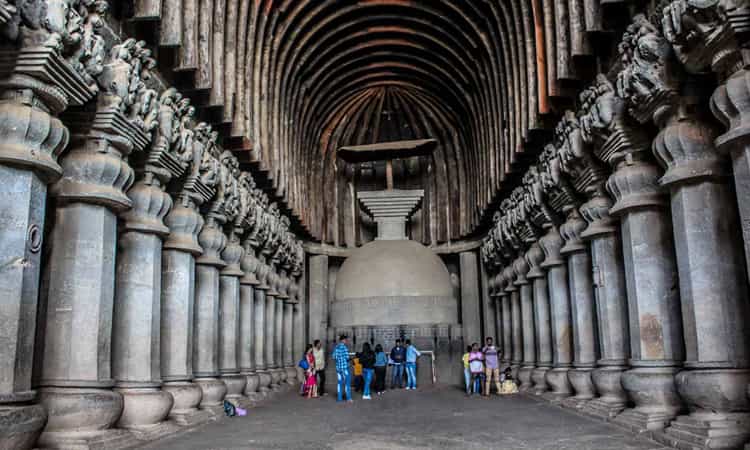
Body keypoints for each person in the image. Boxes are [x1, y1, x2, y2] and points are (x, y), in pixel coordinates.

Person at [332, 334, 352, 402]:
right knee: (347, 383)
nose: (346, 341)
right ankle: (348, 398)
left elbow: (334, 357)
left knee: (339, 383)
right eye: (345, 340)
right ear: (342, 340)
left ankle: (339, 398)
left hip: (338, 368)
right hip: (345, 368)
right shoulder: (344, 348)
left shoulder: (336, 347)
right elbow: (347, 358)